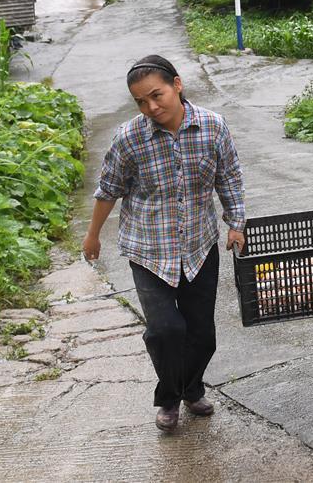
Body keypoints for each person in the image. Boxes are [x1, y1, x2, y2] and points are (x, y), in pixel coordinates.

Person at [82, 55, 245, 432]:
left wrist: (236, 223)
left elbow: (230, 179)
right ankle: (170, 398)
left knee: (202, 334)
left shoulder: (213, 127)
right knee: (166, 330)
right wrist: (92, 235)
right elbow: (109, 190)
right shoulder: (129, 138)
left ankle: (191, 387)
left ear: (177, 84)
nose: (151, 107)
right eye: (141, 101)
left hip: (199, 246)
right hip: (148, 249)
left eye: (157, 95)